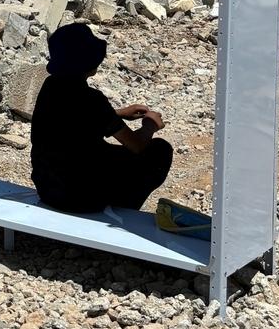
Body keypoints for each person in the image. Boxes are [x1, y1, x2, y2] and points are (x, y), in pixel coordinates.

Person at [30, 22, 173, 214]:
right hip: (82, 197)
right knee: (159, 151)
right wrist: (149, 125)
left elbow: (73, 120)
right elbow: (136, 145)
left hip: (48, 188)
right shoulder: (91, 99)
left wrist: (118, 114)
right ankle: (123, 209)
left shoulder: (50, 87)